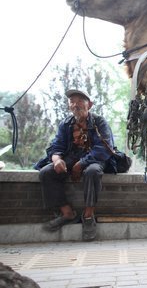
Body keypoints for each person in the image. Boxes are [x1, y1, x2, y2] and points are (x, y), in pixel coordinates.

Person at [35, 89, 115, 241]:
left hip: (94, 158)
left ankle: (88, 215)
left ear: (89, 105)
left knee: (92, 172)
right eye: (72, 101)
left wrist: (81, 164)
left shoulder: (99, 122)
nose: (75, 105)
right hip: (72, 157)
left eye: (80, 101)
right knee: (46, 172)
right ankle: (67, 213)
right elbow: (56, 146)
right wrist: (57, 160)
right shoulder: (66, 124)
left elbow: (104, 148)